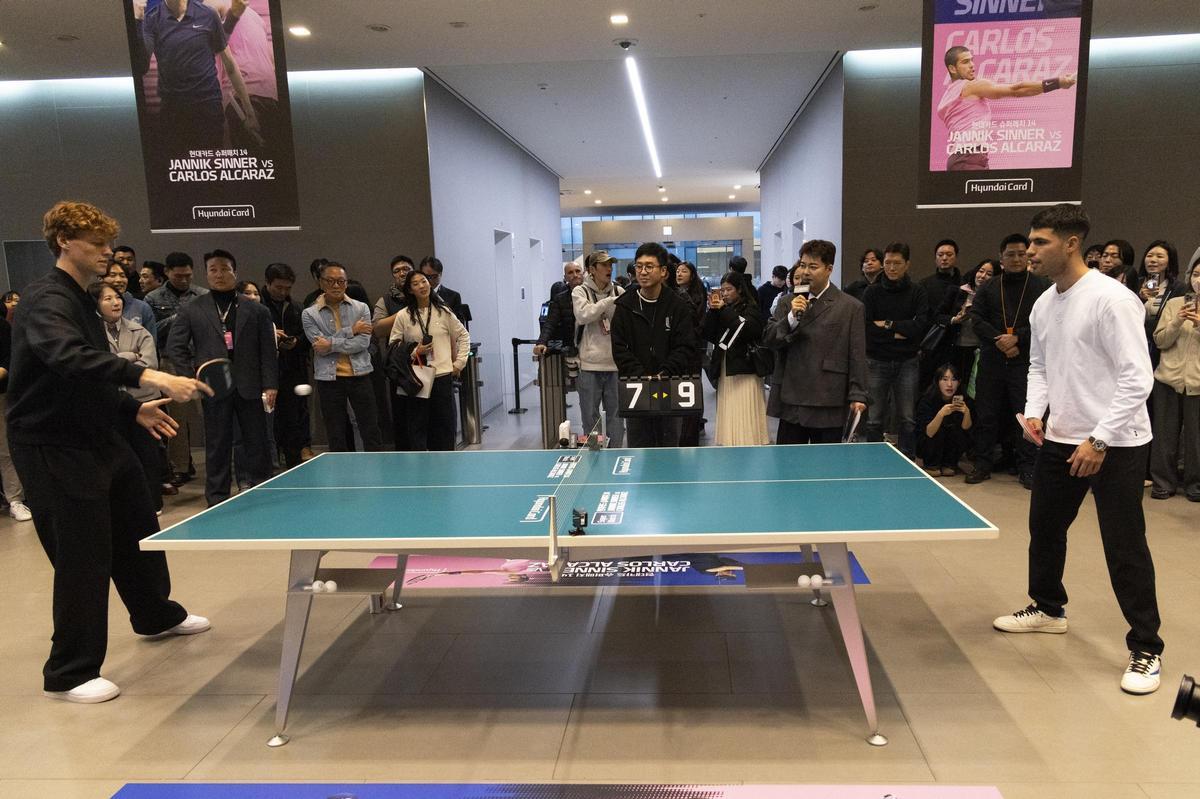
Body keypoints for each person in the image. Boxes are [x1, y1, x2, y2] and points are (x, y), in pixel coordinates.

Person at [9, 200, 212, 704]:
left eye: (108, 244)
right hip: (52, 445)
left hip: (98, 434)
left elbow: (86, 374)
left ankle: (155, 614)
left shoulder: (83, 297)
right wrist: (148, 375)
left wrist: (129, 411)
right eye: (96, 244)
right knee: (82, 552)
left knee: (138, 527)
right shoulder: (45, 299)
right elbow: (67, 358)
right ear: (63, 242)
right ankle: (70, 671)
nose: (108, 254)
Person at [994, 203, 1164, 696]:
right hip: (1061, 438)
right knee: (1044, 528)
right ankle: (1048, 608)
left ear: (1071, 244)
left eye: (1040, 242)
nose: (1030, 250)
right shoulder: (1045, 303)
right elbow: (1040, 366)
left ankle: (1147, 647)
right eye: (1030, 242)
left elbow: (1138, 378)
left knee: (1124, 544)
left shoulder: (1112, 299)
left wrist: (1099, 438)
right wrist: (1033, 412)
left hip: (1116, 444)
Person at [168, 250, 277, 506]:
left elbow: (268, 351)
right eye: (213, 269)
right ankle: (217, 498)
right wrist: (192, 378)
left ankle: (264, 492)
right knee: (217, 444)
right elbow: (175, 347)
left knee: (257, 442)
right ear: (206, 274)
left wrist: (271, 384)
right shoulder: (192, 309)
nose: (219, 274)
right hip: (213, 387)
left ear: (234, 272)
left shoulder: (256, 309)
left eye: (225, 269)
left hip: (250, 386)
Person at [762, 240, 868, 445]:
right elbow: (769, 339)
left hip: (829, 398)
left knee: (827, 469)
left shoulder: (850, 307)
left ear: (829, 269)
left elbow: (857, 355)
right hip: (793, 399)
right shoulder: (787, 302)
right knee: (789, 467)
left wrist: (858, 394)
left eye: (813, 266)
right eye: (802, 265)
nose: (805, 272)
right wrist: (792, 318)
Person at [966, 234, 1050, 487]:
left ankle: (1027, 467)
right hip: (992, 361)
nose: (1016, 259)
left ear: (1028, 256)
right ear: (1001, 258)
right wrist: (999, 340)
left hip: (1025, 362)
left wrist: (1018, 339)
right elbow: (977, 318)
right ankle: (982, 464)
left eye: (1021, 254)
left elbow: (1044, 323)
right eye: (1010, 254)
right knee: (986, 415)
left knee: (1025, 417)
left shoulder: (1042, 286)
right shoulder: (989, 287)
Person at [132, 0, 261, 150]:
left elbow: (230, 65)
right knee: (178, 170)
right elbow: (142, 67)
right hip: (172, 111)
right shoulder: (152, 19)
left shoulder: (208, 14)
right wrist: (138, 21)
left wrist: (249, 111)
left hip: (208, 108)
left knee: (210, 166)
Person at [610, 242, 698, 448]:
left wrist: (665, 372)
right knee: (639, 449)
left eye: (649, 266)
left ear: (664, 271)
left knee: (668, 448)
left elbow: (685, 345)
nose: (643, 272)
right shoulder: (624, 306)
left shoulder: (677, 305)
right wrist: (640, 375)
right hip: (636, 387)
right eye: (639, 266)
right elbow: (619, 348)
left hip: (669, 385)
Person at [937, 46, 1076, 171]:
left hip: (962, 159)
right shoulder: (972, 86)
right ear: (952, 68)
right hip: (968, 158)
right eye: (965, 62)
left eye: (972, 60)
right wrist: (1058, 83)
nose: (972, 65)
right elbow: (1017, 89)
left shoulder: (947, 98)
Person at [91, 282, 165, 514]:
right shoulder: (91, 334)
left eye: (117, 297)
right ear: (95, 305)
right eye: (107, 299)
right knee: (118, 458)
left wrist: (116, 362)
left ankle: (153, 503)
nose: (115, 302)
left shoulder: (139, 330)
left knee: (148, 455)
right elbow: (97, 367)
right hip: (111, 404)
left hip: (144, 400)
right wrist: (129, 356)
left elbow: (149, 364)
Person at [301, 262, 383, 452]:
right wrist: (351, 330)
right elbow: (318, 347)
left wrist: (330, 343)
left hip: (360, 374)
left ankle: (379, 471)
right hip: (329, 379)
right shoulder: (309, 314)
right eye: (330, 281)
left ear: (346, 283)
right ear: (321, 283)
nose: (336, 286)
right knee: (335, 432)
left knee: (370, 428)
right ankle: (342, 476)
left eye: (340, 281)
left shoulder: (361, 308)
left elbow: (362, 343)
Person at [145, 252, 209, 486]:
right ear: (167, 273)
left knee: (210, 414)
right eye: (178, 275)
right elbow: (152, 330)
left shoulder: (203, 295)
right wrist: (177, 318)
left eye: (188, 275)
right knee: (178, 419)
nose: (183, 279)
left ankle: (215, 462)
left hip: (200, 361)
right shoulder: (152, 298)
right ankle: (181, 466)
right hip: (171, 362)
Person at [389, 270, 470, 451]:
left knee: (444, 427)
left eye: (424, 281)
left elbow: (463, 336)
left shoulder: (444, 312)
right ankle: (422, 471)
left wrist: (459, 363)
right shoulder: (403, 315)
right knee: (417, 427)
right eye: (416, 284)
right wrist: (414, 350)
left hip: (442, 377)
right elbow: (393, 344)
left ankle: (445, 470)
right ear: (410, 290)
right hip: (416, 378)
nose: (421, 286)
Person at [862, 242, 930, 458]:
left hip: (907, 361)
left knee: (907, 417)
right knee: (874, 417)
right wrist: (901, 330)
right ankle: (873, 459)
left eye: (897, 263)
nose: (891, 268)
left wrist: (888, 325)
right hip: (876, 360)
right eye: (888, 263)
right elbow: (867, 328)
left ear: (907, 264)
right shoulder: (871, 292)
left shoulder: (917, 292)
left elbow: (919, 327)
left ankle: (908, 459)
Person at [1148, 256, 1200, 501]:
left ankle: (1195, 485)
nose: (1199, 280)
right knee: (1164, 436)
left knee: (1196, 439)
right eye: (1196, 274)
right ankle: (1163, 483)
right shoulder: (1175, 304)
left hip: (1198, 383)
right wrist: (1178, 320)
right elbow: (1160, 341)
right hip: (1168, 379)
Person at [703, 272, 768, 446]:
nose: (724, 293)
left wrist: (724, 310)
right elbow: (708, 333)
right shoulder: (721, 309)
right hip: (726, 367)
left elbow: (749, 330)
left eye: (729, 289)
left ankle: (748, 445)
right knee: (729, 408)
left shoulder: (750, 308)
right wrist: (713, 312)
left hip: (745, 368)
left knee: (745, 410)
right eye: (722, 290)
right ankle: (730, 443)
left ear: (739, 289)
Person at [572, 251, 625, 445]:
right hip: (589, 365)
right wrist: (608, 302)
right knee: (590, 417)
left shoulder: (619, 292)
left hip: (615, 365)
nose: (609, 268)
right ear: (592, 269)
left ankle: (616, 455)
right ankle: (594, 455)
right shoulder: (580, 292)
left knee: (617, 417)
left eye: (610, 264)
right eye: (603, 265)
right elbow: (583, 315)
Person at [262, 263, 311, 468]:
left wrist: (296, 342)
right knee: (267, 421)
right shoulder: (257, 308)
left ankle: (292, 462)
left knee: (293, 418)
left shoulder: (297, 308)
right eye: (278, 287)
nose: (283, 292)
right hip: (265, 371)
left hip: (292, 370)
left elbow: (308, 337)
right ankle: (269, 462)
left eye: (287, 288)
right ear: (268, 283)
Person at [939, 259, 995, 382]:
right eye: (981, 271)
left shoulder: (994, 298)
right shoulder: (958, 291)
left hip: (978, 350)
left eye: (989, 274)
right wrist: (954, 319)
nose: (983, 276)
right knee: (952, 384)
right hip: (953, 347)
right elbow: (937, 316)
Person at [919, 239, 964, 389]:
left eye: (949, 254)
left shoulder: (965, 284)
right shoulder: (924, 284)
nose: (944, 258)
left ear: (956, 257)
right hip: (932, 345)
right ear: (935, 258)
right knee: (928, 386)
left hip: (959, 344)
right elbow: (923, 316)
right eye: (940, 254)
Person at [0, 314, 32, 521]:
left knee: (5, 450)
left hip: (1, 395)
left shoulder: (2, 327)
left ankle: (15, 500)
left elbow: (6, 365)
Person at [916, 363, 973, 476]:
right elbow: (929, 432)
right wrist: (940, 414)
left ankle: (949, 463)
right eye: (945, 379)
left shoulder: (964, 399)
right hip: (929, 443)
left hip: (951, 444)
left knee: (956, 430)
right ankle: (931, 464)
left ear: (959, 382)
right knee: (939, 429)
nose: (949, 384)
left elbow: (966, 428)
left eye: (954, 379)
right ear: (937, 382)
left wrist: (967, 412)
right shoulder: (927, 400)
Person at [675, 260, 708, 446]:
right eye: (678, 271)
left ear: (692, 274)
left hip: (693, 350)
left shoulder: (697, 294)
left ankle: (691, 432)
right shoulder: (672, 292)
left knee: (691, 390)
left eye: (684, 271)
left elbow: (699, 322)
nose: (679, 274)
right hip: (677, 351)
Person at [1136, 240, 1184, 368]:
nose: (1152, 260)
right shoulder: (1134, 283)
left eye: (1159, 256)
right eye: (1149, 255)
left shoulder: (1178, 288)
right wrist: (1140, 298)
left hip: (1160, 350)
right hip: (1134, 343)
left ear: (1169, 262)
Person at [102, 260, 157, 343]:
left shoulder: (142, 307)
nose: (119, 280)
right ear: (100, 279)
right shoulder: (92, 306)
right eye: (113, 275)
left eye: (123, 275)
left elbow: (151, 343)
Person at [419, 256, 466, 324]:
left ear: (440, 274)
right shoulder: (416, 294)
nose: (429, 280)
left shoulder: (453, 296)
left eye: (434, 276)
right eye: (426, 277)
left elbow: (459, 323)